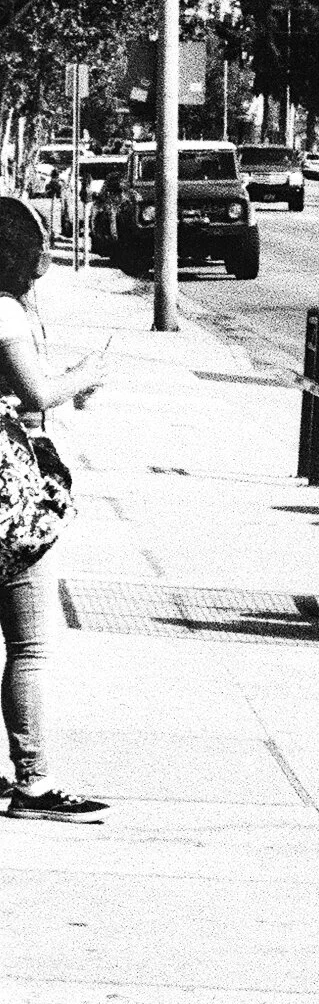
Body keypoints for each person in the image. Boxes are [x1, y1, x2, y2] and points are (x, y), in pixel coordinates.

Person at [0, 195, 108, 819]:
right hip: (7, 500)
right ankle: (33, 783)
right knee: (30, 645)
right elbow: (37, 394)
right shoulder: (5, 311)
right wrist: (84, 375)